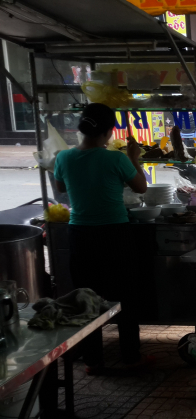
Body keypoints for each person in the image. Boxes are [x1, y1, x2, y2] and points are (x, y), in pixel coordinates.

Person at [53, 102, 150, 373]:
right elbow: (141, 187)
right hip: (114, 234)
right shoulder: (116, 159)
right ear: (109, 131)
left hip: (80, 235)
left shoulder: (63, 158)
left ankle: (92, 360)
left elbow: (60, 188)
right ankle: (131, 357)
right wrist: (133, 157)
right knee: (125, 296)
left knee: (87, 297)